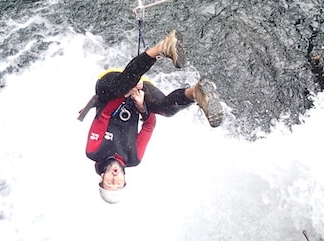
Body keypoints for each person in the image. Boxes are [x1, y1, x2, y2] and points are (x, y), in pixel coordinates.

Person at [78, 30, 224, 204]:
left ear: (101, 177)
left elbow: (103, 115)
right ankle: (196, 93)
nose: (114, 178)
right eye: (118, 184)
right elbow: (148, 126)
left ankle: (162, 48)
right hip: (136, 94)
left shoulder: (94, 152)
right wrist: (141, 106)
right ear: (125, 180)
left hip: (109, 88)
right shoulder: (134, 158)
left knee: (122, 86)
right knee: (166, 111)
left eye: (109, 182)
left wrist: (126, 95)